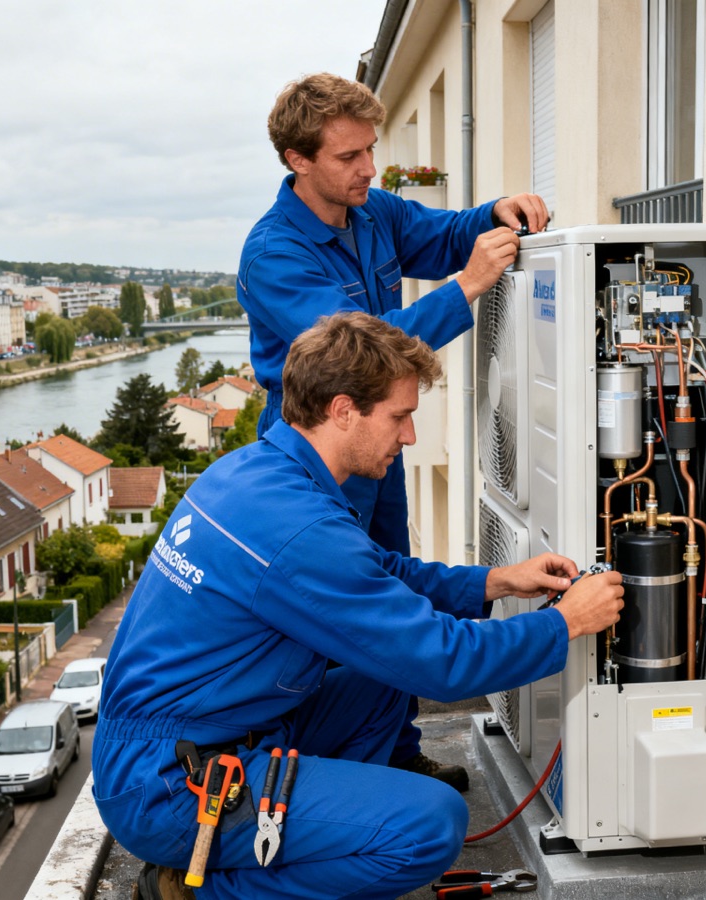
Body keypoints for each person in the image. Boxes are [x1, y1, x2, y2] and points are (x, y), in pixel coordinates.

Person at [94, 313, 624, 900]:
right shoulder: (298, 529)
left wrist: (494, 581)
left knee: (381, 684)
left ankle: (319, 834)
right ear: (344, 410)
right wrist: (566, 623)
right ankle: (197, 889)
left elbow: (375, 575)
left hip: (197, 740)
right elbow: (442, 662)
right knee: (430, 826)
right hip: (170, 785)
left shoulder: (258, 472)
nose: (410, 436)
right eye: (400, 416)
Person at [238, 71, 550, 788]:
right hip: (318, 453)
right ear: (299, 160)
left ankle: (399, 758)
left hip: (370, 447)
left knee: (393, 600)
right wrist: (468, 286)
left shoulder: (372, 212)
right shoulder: (274, 255)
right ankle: (324, 779)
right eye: (349, 157)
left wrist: (492, 212)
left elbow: (437, 233)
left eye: (370, 151)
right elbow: (365, 354)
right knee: (332, 618)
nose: (368, 169)